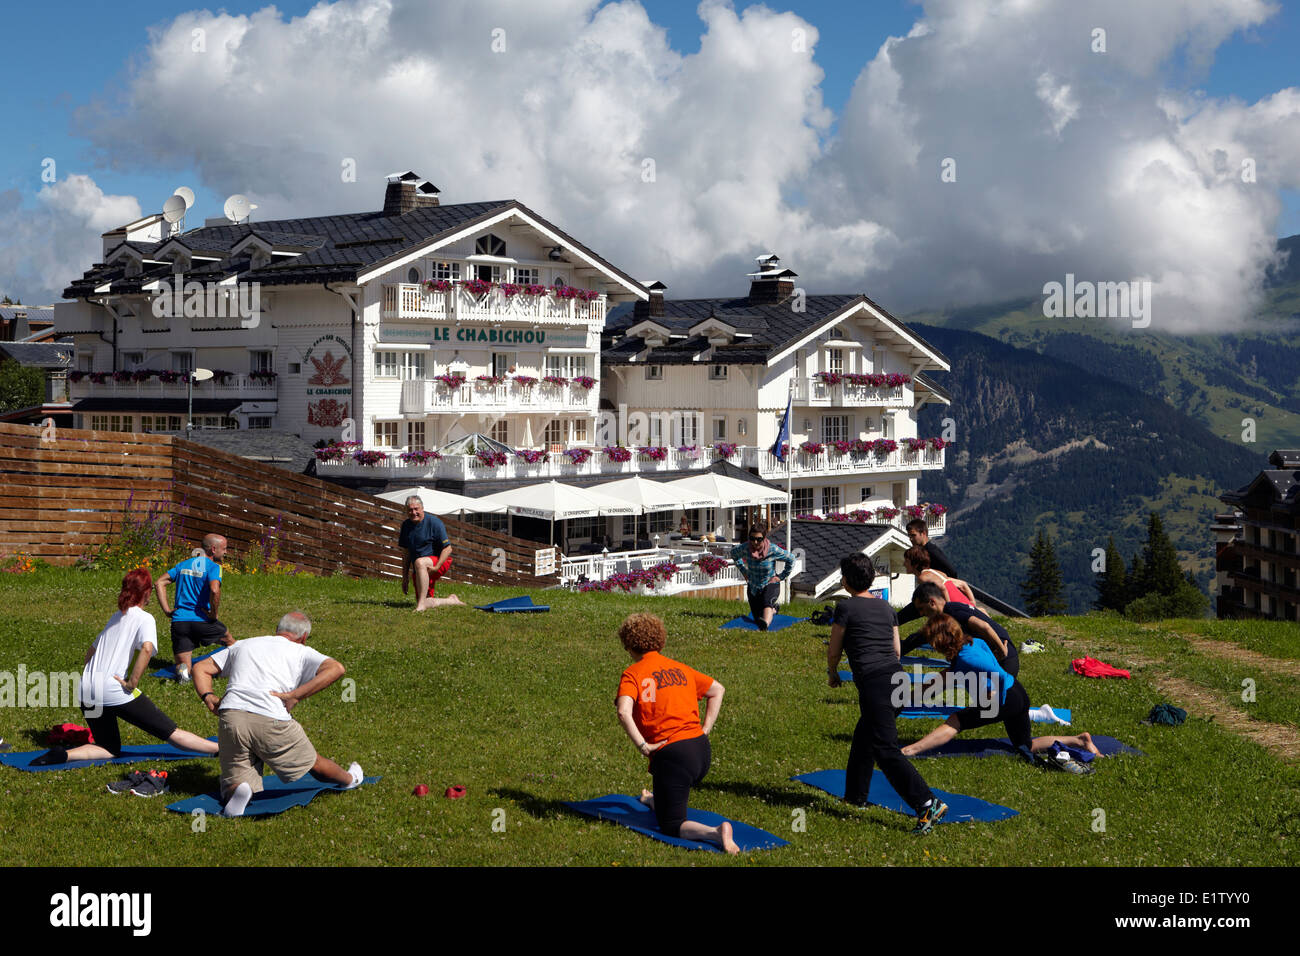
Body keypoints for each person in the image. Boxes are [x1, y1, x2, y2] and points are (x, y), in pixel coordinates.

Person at [31, 568, 219, 767]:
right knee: (170, 732)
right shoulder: (145, 618)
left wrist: (92, 677)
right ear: (146, 593)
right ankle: (220, 750)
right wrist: (132, 682)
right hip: (112, 688)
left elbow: (91, 652)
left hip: (86, 688)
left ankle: (63, 755)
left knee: (108, 748)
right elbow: (146, 649)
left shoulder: (116, 616)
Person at [192, 611, 364, 818]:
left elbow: (200, 667)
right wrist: (295, 696)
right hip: (270, 717)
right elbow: (336, 668)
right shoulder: (300, 651)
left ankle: (238, 792)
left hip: (232, 714)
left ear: (277, 630)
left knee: (234, 777)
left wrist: (208, 696)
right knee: (313, 763)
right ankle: (350, 779)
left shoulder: (243, 644)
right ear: (303, 637)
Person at [827, 554, 948, 835]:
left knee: (884, 749)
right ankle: (855, 797)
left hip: (875, 684)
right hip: (898, 680)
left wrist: (833, 673)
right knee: (864, 737)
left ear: (845, 580)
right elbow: (896, 651)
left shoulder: (846, 608)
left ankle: (927, 803)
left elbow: (834, 649)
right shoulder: (886, 608)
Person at [614, 613, 738, 854]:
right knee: (668, 793)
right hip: (701, 751)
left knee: (671, 824)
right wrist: (705, 730)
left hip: (674, 757)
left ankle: (716, 833)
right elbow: (717, 690)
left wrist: (643, 746)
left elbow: (623, 712)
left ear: (628, 646)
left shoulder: (633, 674)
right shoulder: (680, 668)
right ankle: (653, 800)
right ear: (660, 640)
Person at [900, 613, 1102, 761]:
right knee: (1026, 745)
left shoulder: (967, 658)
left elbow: (996, 674)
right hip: (1018, 694)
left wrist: (992, 695)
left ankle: (909, 751)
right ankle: (1079, 740)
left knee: (955, 720)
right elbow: (948, 677)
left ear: (941, 641)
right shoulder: (974, 643)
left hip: (1005, 698)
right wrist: (912, 696)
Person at [154, 534, 234, 682]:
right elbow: (215, 590)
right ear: (213, 549)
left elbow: (159, 582)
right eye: (224, 549)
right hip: (203, 621)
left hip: (180, 623)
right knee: (232, 643)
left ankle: (183, 678)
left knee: (183, 666)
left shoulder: (183, 565)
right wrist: (213, 614)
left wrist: (166, 610)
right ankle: (236, 671)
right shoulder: (214, 567)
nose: (225, 552)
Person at [906, 581, 1020, 676]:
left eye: (921, 608)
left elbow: (984, 626)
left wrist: (1002, 650)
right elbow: (920, 638)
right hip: (997, 655)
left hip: (1005, 657)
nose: (921, 613)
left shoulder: (952, 612)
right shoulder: (950, 611)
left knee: (994, 700)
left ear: (932, 602)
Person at [398, 495, 464, 610]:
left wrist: (437, 567)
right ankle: (451, 600)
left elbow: (448, 549)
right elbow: (406, 553)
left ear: (422, 508)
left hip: (440, 561)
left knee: (419, 562)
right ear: (406, 511)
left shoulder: (435, 523)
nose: (413, 512)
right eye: (410, 510)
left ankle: (420, 607)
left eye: (416, 509)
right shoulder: (406, 526)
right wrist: (405, 577)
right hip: (421, 569)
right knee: (425, 600)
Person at [730, 521, 796, 630]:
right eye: (752, 538)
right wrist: (744, 571)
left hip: (770, 583)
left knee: (766, 603)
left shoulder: (772, 549)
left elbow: (791, 559)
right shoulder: (745, 548)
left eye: (759, 539)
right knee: (757, 617)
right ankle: (774, 610)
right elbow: (734, 554)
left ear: (764, 538)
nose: (755, 542)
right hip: (754, 587)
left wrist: (781, 577)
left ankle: (765, 625)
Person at [897, 520, 958, 625]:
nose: (911, 539)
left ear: (923, 533)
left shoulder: (932, 551)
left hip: (936, 597)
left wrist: (941, 587)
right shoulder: (923, 550)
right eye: (909, 536)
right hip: (929, 596)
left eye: (913, 535)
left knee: (901, 617)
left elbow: (952, 572)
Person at [904, 545, 975, 606]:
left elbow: (942, 588)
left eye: (906, 561)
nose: (904, 564)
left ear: (915, 564)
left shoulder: (922, 578)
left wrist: (949, 608)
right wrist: (972, 603)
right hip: (967, 605)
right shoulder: (936, 572)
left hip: (958, 608)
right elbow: (963, 584)